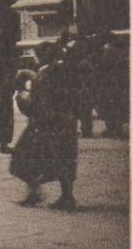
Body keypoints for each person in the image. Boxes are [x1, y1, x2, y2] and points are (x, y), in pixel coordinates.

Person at [9, 39, 81, 209]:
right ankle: (67, 196)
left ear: (42, 56)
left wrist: (20, 98)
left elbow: (37, 105)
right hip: (67, 122)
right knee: (65, 158)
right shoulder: (65, 71)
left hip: (45, 125)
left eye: (36, 55)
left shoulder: (43, 76)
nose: (34, 59)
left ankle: (35, 192)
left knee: (22, 157)